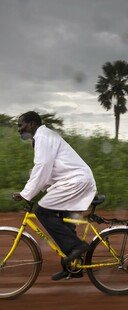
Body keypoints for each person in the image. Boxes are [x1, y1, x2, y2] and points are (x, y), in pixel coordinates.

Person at [12, 111, 97, 280]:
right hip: (74, 182)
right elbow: (44, 171)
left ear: (32, 124)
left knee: (43, 212)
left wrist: (26, 193)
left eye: (21, 125)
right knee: (65, 222)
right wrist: (32, 191)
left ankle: (77, 247)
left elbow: (42, 168)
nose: (19, 130)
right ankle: (73, 267)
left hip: (76, 182)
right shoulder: (42, 138)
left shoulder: (44, 137)